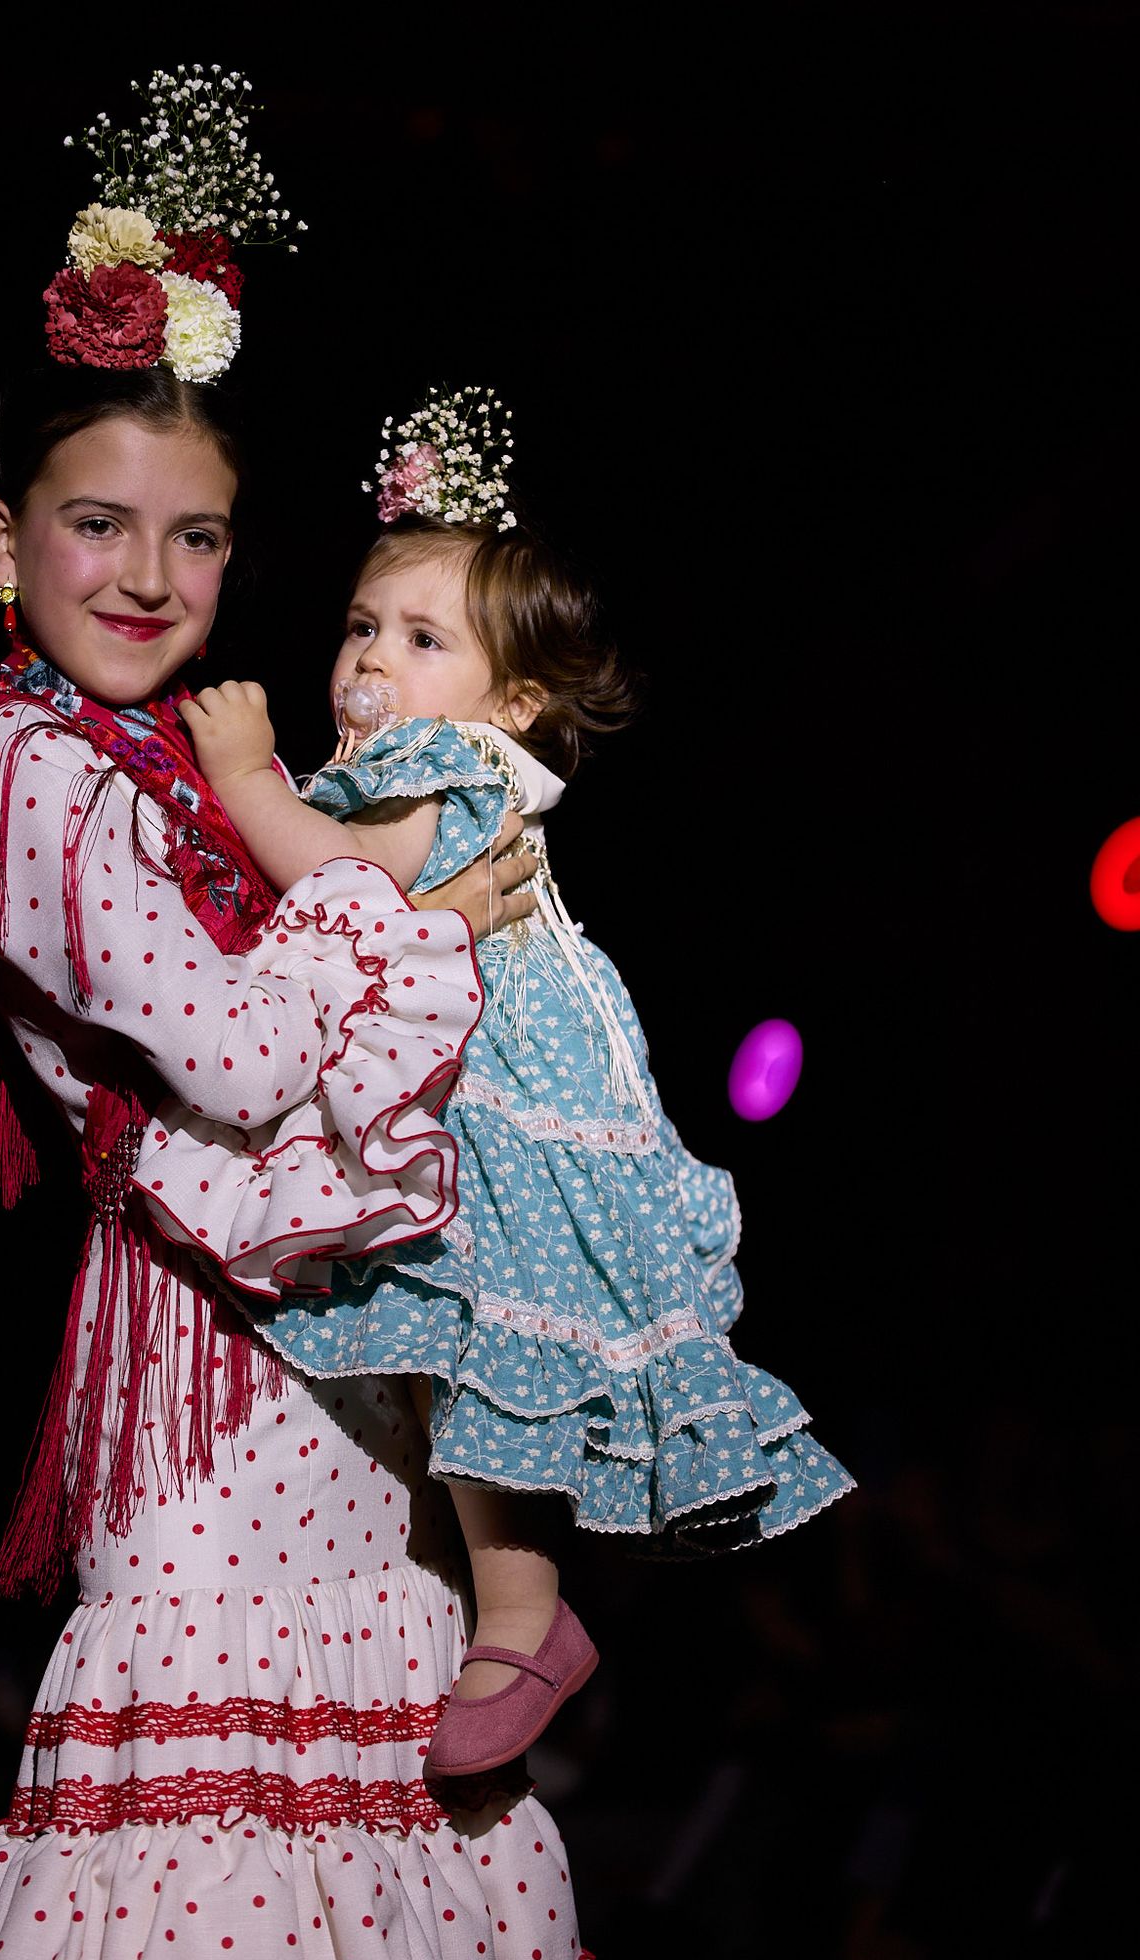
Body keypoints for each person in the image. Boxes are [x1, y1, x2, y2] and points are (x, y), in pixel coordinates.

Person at [0, 74, 609, 1960]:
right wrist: (424, 919)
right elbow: (221, 1049)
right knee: (220, 1879)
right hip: (204, 1369)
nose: (145, 578)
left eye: (194, 540)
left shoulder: (186, 762)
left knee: (374, 1853)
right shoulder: (18, 760)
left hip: (340, 1351)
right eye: (96, 523)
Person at [164, 386, 856, 1783]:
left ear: (515, 701)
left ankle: (526, 1615)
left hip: (496, 1096)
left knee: (496, 1350)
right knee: (467, 1354)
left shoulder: (450, 767)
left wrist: (240, 773)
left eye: (423, 641)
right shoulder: (388, 762)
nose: (372, 662)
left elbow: (348, 885)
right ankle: (515, 1613)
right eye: (363, 626)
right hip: (465, 1082)